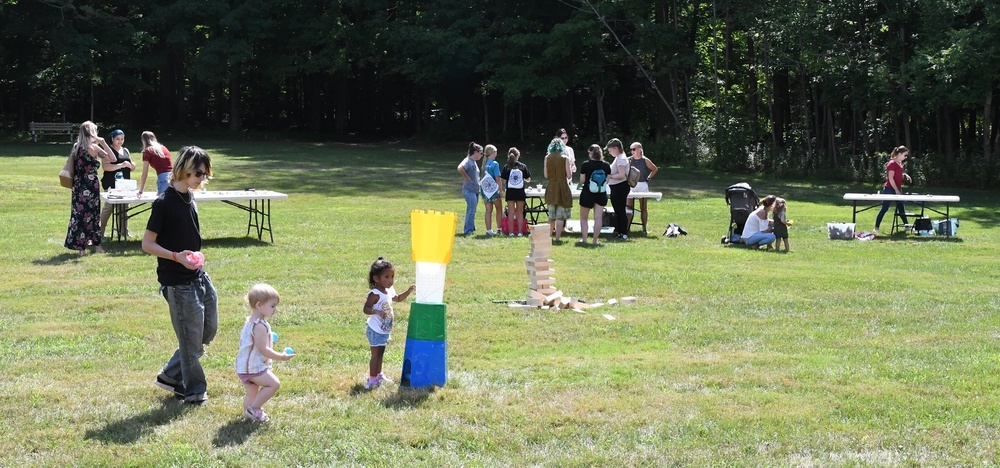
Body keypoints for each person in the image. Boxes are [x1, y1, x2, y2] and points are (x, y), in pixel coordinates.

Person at [143, 146, 217, 405]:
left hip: (198, 276)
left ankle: (171, 375)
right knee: (190, 338)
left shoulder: (189, 197)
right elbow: (147, 244)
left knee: (206, 331)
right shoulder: (164, 202)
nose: (201, 179)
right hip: (177, 283)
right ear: (183, 169)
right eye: (198, 173)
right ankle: (194, 390)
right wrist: (177, 256)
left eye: (205, 174)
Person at [235, 283, 295, 422]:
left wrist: (269, 336)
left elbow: (253, 341)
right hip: (253, 367)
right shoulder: (260, 326)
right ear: (259, 305)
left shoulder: (251, 322)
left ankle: (249, 416)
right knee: (274, 384)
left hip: (244, 366)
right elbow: (263, 349)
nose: (275, 309)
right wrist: (281, 356)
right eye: (272, 306)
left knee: (252, 393)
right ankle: (254, 409)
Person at [363, 257, 415, 390]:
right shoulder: (375, 294)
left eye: (392, 276)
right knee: (376, 355)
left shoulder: (389, 290)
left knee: (381, 354)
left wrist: (408, 291)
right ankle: (372, 380)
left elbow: (397, 298)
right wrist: (376, 311)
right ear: (376, 279)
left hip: (383, 330)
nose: (391, 280)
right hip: (375, 330)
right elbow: (366, 309)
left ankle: (379, 375)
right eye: (387, 277)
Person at [65, 120, 113, 255]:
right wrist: (103, 142)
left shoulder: (76, 146)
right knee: (93, 214)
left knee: (79, 214)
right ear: (92, 132)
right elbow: (113, 158)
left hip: (78, 183)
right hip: (91, 183)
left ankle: (81, 249)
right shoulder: (94, 148)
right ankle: (97, 246)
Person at [99, 129, 136, 239]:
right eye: (117, 139)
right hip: (111, 183)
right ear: (112, 139)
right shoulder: (108, 151)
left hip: (125, 184)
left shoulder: (126, 150)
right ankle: (99, 232)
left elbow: (131, 165)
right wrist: (121, 165)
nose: (120, 141)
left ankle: (123, 231)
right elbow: (106, 167)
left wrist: (131, 165)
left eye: (122, 139)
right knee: (109, 207)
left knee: (125, 207)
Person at [873, 145, 912, 234]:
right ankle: (876, 227)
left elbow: (898, 173)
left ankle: (906, 225)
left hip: (897, 188)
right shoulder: (892, 164)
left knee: (901, 207)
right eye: (905, 155)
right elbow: (891, 178)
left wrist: (905, 175)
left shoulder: (900, 163)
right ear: (899, 154)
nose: (906, 157)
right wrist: (896, 190)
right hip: (889, 189)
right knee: (885, 208)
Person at [578, 144, 612, 245]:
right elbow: (607, 180)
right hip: (601, 194)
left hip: (587, 193)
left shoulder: (585, 164)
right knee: (598, 218)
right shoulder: (606, 165)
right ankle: (595, 240)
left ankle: (584, 239)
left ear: (591, 153)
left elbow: (582, 180)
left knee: (584, 218)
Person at [543, 137, 573, 241]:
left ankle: (548, 237)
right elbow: (569, 176)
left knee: (551, 216)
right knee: (560, 216)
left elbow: (546, 175)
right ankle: (557, 238)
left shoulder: (547, 158)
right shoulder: (565, 158)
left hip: (551, 186)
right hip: (562, 186)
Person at [626, 142, 659, 233]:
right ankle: (627, 228)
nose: (632, 151)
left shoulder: (645, 160)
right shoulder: (628, 160)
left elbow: (654, 169)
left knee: (643, 208)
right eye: (631, 149)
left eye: (634, 149)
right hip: (631, 185)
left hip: (642, 185)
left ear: (640, 150)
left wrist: (648, 178)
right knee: (629, 208)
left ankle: (644, 228)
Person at [501, 147, 531, 237]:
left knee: (511, 212)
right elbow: (528, 178)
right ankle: (520, 232)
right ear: (518, 156)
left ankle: (510, 232)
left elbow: (503, 180)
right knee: (519, 212)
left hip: (510, 192)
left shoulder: (507, 167)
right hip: (520, 192)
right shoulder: (522, 166)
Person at [605, 138, 632, 240]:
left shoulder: (621, 158)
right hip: (617, 187)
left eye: (610, 149)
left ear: (616, 148)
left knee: (620, 211)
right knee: (618, 210)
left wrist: (610, 176)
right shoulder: (619, 157)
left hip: (620, 187)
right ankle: (620, 232)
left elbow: (621, 175)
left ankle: (623, 233)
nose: (609, 152)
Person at [457, 142, 483, 235]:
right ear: (475, 152)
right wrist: (466, 176)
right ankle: (468, 230)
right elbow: (460, 168)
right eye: (480, 153)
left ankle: (471, 228)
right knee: (471, 210)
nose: (481, 155)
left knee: (473, 210)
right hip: (469, 190)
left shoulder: (474, 162)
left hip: (475, 190)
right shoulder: (467, 160)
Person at [137, 131, 173, 196]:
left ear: (143, 141)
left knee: (163, 204)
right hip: (174, 176)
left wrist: (140, 191)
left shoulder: (148, 151)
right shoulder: (163, 148)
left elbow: (144, 174)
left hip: (164, 179)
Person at [480, 144, 503, 235]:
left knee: (488, 210)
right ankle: (499, 229)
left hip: (485, 190)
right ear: (493, 153)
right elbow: (498, 178)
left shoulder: (484, 164)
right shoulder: (495, 164)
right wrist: (500, 190)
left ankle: (489, 230)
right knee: (499, 208)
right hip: (493, 190)